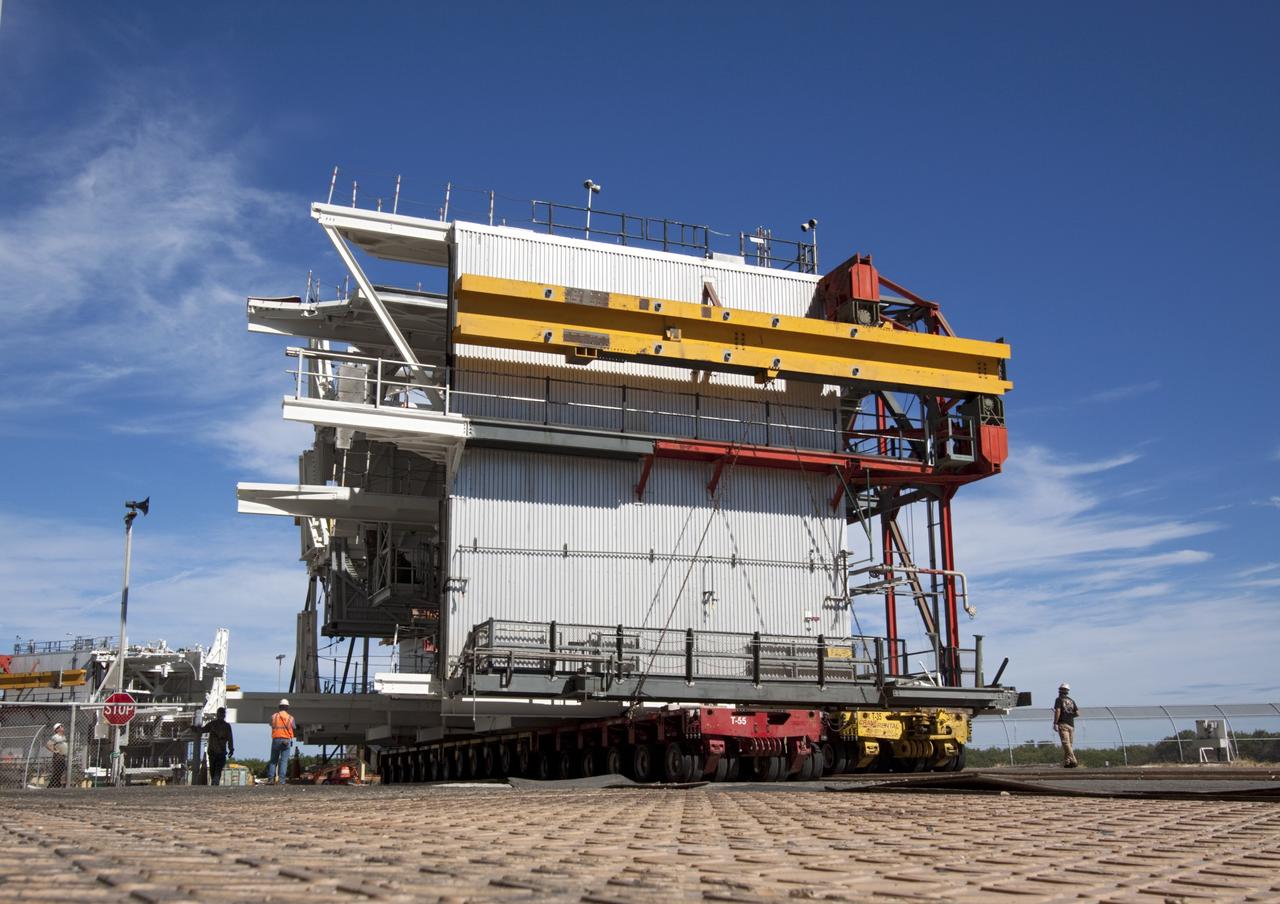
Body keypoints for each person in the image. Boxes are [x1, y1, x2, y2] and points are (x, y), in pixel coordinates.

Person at [194, 707, 235, 786]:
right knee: (216, 770)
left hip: (214, 751)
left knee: (214, 769)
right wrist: (231, 749)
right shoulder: (226, 726)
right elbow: (230, 739)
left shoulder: (213, 724)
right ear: (224, 715)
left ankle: (215, 781)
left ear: (218, 714)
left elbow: (202, 730)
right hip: (220, 751)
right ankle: (215, 781)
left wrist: (195, 729)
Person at [267, 698, 296, 785]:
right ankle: (281, 781)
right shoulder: (290, 718)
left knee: (273, 761)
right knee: (284, 761)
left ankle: (271, 779)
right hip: (286, 740)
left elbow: (271, 724)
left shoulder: (274, 716)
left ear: (279, 707)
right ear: (287, 707)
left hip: (276, 739)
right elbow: (294, 727)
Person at [1053, 682, 1079, 768]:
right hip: (1071, 724)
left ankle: (1073, 760)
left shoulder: (1059, 699)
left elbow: (1058, 711)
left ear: (1060, 690)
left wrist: (1055, 722)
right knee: (1069, 744)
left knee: (1066, 744)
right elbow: (1077, 713)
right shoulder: (1071, 700)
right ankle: (1067, 762)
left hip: (1063, 723)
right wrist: (1069, 715)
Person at [44, 722, 68, 788]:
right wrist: (54, 751)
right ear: (57, 730)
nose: (62, 727)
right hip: (58, 757)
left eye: (62, 726)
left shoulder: (63, 736)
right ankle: (50, 786)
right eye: (60, 727)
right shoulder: (55, 737)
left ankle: (56, 785)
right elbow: (48, 745)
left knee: (60, 772)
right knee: (57, 772)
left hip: (63, 756)